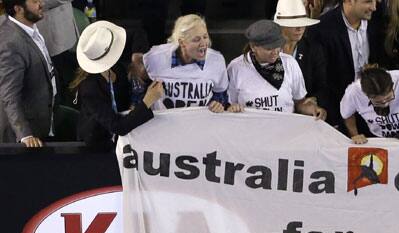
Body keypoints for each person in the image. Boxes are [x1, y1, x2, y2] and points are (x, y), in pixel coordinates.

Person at [70, 21, 164, 150]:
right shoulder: (89, 88)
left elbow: (138, 31)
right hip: (95, 146)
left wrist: (136, 57)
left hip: (121, 141)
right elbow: (118, 126)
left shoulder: (117, 69)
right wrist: (147, 102)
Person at [307, 0, 384, 128]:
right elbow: (321, 79)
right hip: (338, 113)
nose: (374, 7)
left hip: (375, 111)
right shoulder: (321, 29)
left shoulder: (379, 20)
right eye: (368, 2)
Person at [227, 20, 326, 118]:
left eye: (278, 46)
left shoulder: (290, 63)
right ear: (253, 47)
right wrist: (232, 108)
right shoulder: (236, 68)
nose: (275, 52)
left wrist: (314, 109)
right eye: (269, 48)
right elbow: (229, 104)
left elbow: (299, 102)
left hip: (285, 128)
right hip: (252, 129)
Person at [142, 14, 231, 112]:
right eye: (196, 39)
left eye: (205, 37)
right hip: (163, 124)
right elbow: (139, 82)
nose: (203, 43)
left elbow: (221, 94)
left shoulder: (217, 61)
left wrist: (218, 104)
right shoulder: (155, 57)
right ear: (182, 43)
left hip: (201, 124)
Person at [0, 0, 55, 147]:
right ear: (18, 9)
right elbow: (9, 95)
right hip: (26, 137)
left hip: (44, 121)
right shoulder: (10, 43)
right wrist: (25, 134)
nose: (41, 4)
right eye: (35, 1)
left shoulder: (29, 29)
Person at [340, 65, 399, 143]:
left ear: (392, 85)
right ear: (366, 95)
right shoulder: (353, 92)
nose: (385, 104)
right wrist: (355, 135)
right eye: (378, 102)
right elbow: (347, 115)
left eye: (388, 98)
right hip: (375, 136)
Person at [275, 0, 329, 113]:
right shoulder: (267, 49)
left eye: (302, 22)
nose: (300, 28)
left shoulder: (313, 49)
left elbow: (322, 85)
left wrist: (314, 99)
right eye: (294, 24)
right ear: (281, 24)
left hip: (304, 114)